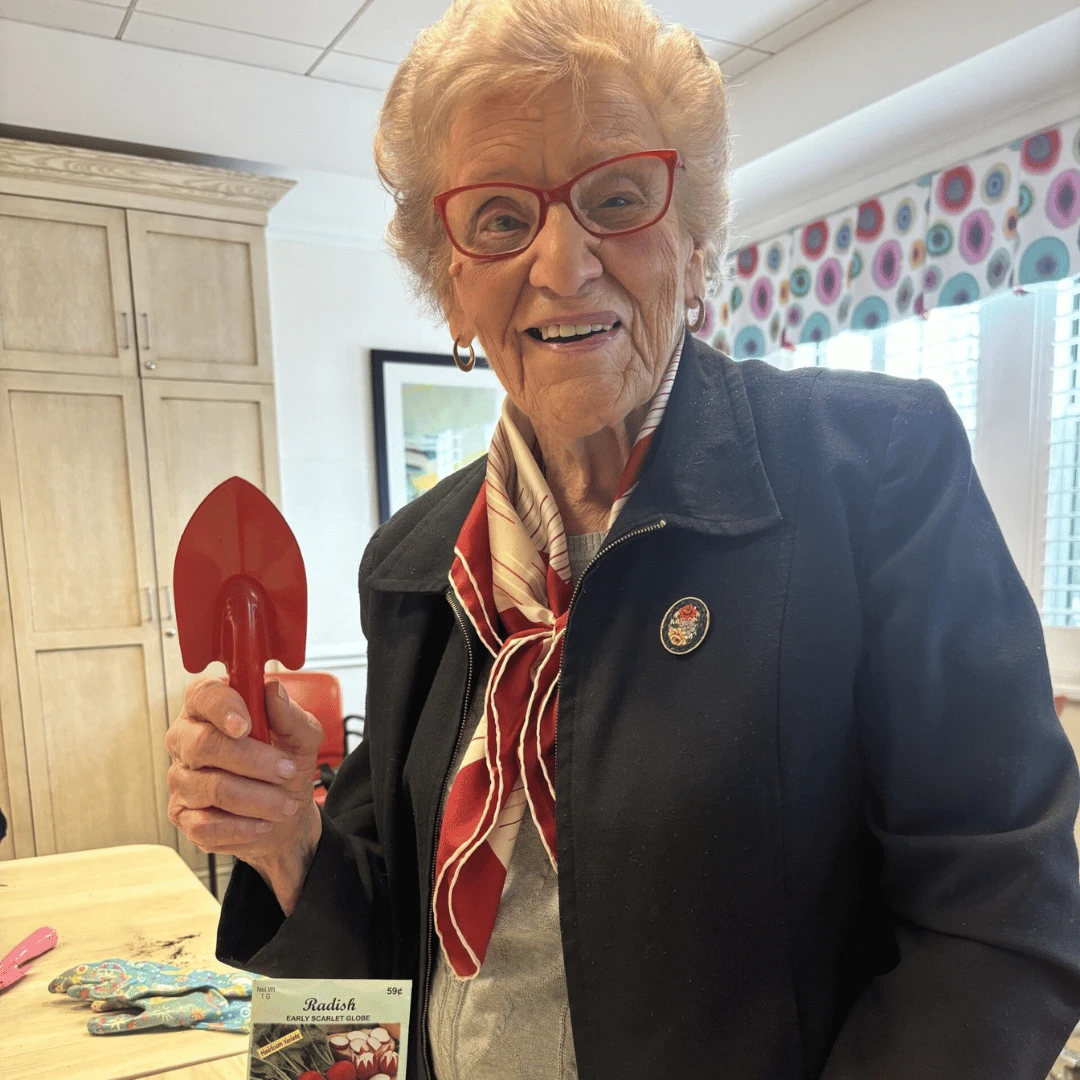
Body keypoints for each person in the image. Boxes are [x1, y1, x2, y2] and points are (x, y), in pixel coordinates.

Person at [164, 1, 1080, 1077]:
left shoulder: (875, 473)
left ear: (694, 248)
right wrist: (285, 848)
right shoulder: (418, 562)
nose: (563, 261)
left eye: (617, 197)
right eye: (500, 218)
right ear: (451, 286)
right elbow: (377, 945)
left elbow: (1002, 922)